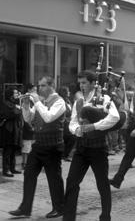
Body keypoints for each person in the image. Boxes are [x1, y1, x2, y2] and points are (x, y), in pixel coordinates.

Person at [63, 71, 119, 221]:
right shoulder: (79, 101)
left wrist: (94, 126)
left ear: (93, 83)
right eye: (80, 83)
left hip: (98, 148)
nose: (81, 86)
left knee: (102, 184)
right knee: (71, 182)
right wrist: (77, 130)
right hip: (81, 147)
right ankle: (68, 218)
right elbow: (73, 122)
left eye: (84, 83)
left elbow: (115, 117)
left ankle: (105, 216)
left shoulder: (104, 98)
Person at [9, 76, 65, 218]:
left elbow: (48, 117)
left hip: (53, 146)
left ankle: (59, 208)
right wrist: (26, 105)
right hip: (39, 144)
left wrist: (37, 101)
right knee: (29, 174)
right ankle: (25, 208)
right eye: (39, 86)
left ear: (52, 86)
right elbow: (28, 119)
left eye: (43, 86)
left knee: (54, 178)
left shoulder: (59, 102)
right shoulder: (41, 101)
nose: (39, 88)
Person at [0, 87, 23, 177]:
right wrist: (19, 107)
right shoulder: (5, 103)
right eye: (15, 93)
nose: (17, 95)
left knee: (13, 149)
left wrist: (19, 104)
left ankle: (12, 168)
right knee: (8, 150)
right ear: (10, 95)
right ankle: (6, 169)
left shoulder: (15, 103)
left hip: (15, 129)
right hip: (8, 130)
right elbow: (14, 113)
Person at [21, 83, 37, 169]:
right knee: (26, 146)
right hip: (27, 126)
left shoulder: (33, 100)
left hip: (32, 126)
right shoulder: (27, 99)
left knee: (30, 146)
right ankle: (25, 163)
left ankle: (28, 163)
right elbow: (26, 114)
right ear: (29, 90)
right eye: (34, 90)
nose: (36, 92)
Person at [58, 86, 75, 162]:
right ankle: (64, 155)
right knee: (71, 138)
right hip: (64, 123)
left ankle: (65, 155)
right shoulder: (60, 101)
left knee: (71, 138)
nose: (69, 92)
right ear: (64, 92)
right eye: (68, 91)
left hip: (69, 122)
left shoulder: (68, 100)